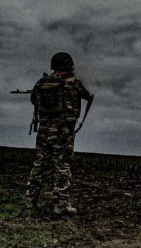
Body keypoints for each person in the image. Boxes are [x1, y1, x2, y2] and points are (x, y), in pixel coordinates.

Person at [26, 52, 93, 215]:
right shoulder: (74, 83)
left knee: (39, 165)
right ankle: (60, 205)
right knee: (62, 166)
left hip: (44, 132)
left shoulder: (42, 82)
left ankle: (31, 202)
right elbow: (88, 96)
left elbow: (34, 99)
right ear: (69, 65)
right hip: (63, 133)